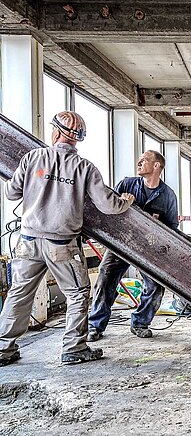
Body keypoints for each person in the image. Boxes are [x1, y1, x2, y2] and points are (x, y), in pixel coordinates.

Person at [0, 111, 135, 367]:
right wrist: (126, 201)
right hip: (61, 244)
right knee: (78, 293)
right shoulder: (84, 168)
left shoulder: (33, 158)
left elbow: (11, 192)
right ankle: (74, 347)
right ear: (77, 138)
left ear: (56, 132)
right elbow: (108, 205)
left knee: (19, 293)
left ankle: (4, 349)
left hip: (28, 240)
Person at [87, 150, 179, 341]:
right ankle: (95, 326)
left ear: (156, 166)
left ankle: (140, 323)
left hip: (148, 249)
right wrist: (124, 203)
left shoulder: (168, 196)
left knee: (155, 286)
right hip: (121, 243)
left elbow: (172, 228)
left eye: (144, 160)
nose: (139, 162)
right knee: (105, 280)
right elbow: (108, 208)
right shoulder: (126, 184)